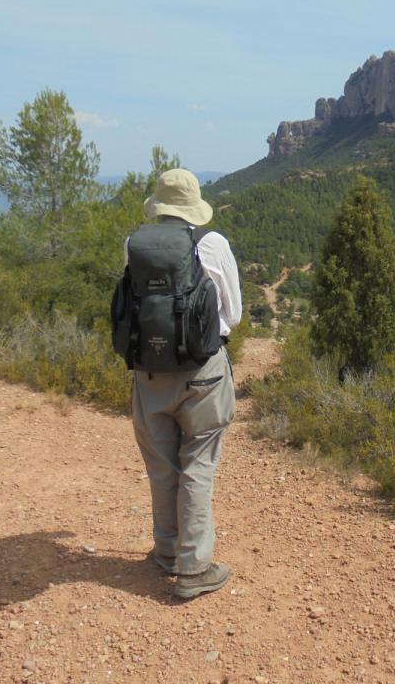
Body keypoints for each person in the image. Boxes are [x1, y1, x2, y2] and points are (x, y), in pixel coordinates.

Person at [127, 168, 241, 598]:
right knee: (199, 464)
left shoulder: (133, 246)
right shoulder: (212, 244)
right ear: (193, 207)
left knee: (162, 466)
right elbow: (234, 315)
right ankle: (193, 570)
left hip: (149, 375)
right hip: (203, 375)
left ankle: (167, 552)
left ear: (158, 206)